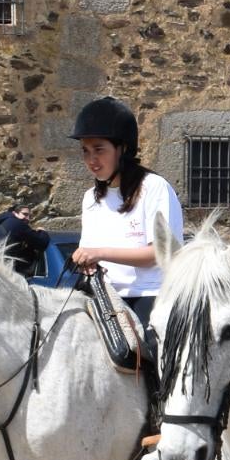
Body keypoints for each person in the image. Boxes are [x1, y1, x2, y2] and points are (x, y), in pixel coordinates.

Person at [68, 96, 182, 328]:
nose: (91, 160)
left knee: (151, 358)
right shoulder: (90, 198)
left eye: (99, 150)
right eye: (86, 151)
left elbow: (160, 254)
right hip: (105, 296)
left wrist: (99, 253)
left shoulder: (153, 187)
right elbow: (90, 251)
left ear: (123, 149)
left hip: (150, 294)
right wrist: (86, 260)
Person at [0, 198, 50, 279]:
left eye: (29, 216)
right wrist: (43, 232)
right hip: (4, 268)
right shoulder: (18, 224)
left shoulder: (3, 221)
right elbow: (41, 242)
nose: (27, 218)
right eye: (24, 214)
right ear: (14, 213)